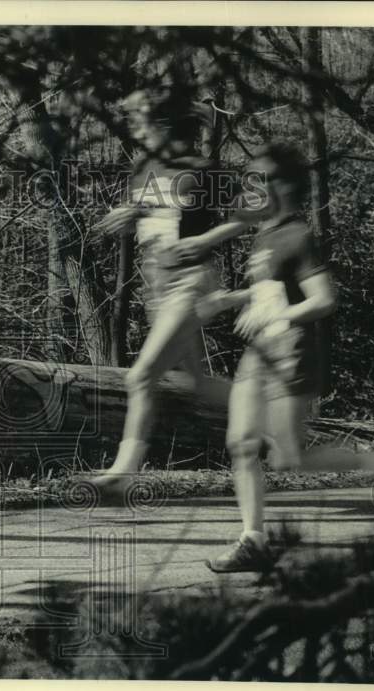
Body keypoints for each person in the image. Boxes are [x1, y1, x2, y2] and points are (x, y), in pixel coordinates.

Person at [173, 142, 374, 573]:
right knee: (240, 443)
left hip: (293, 351)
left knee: (287, 459)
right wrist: (227, 300)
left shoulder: (298, 235)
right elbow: (268, 291)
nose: (250, 185)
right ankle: (253, 540)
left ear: (286, 186)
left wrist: (276, 314)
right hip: (259, 354)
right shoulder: (265, 233)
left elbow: (323, 300)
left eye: (260, 178)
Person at [89, 90, 250, 493]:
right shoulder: (145, 168)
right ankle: (269, 413)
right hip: (155, 286)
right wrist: (124, 217)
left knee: (141, 377)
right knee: (195, 383)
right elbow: (145, 218)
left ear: (164, 124)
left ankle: (122, 474)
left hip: (190, 282)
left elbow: (253, 210)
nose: (135, 130)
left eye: (141, 121)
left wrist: (207, 238)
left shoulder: (202, 169)